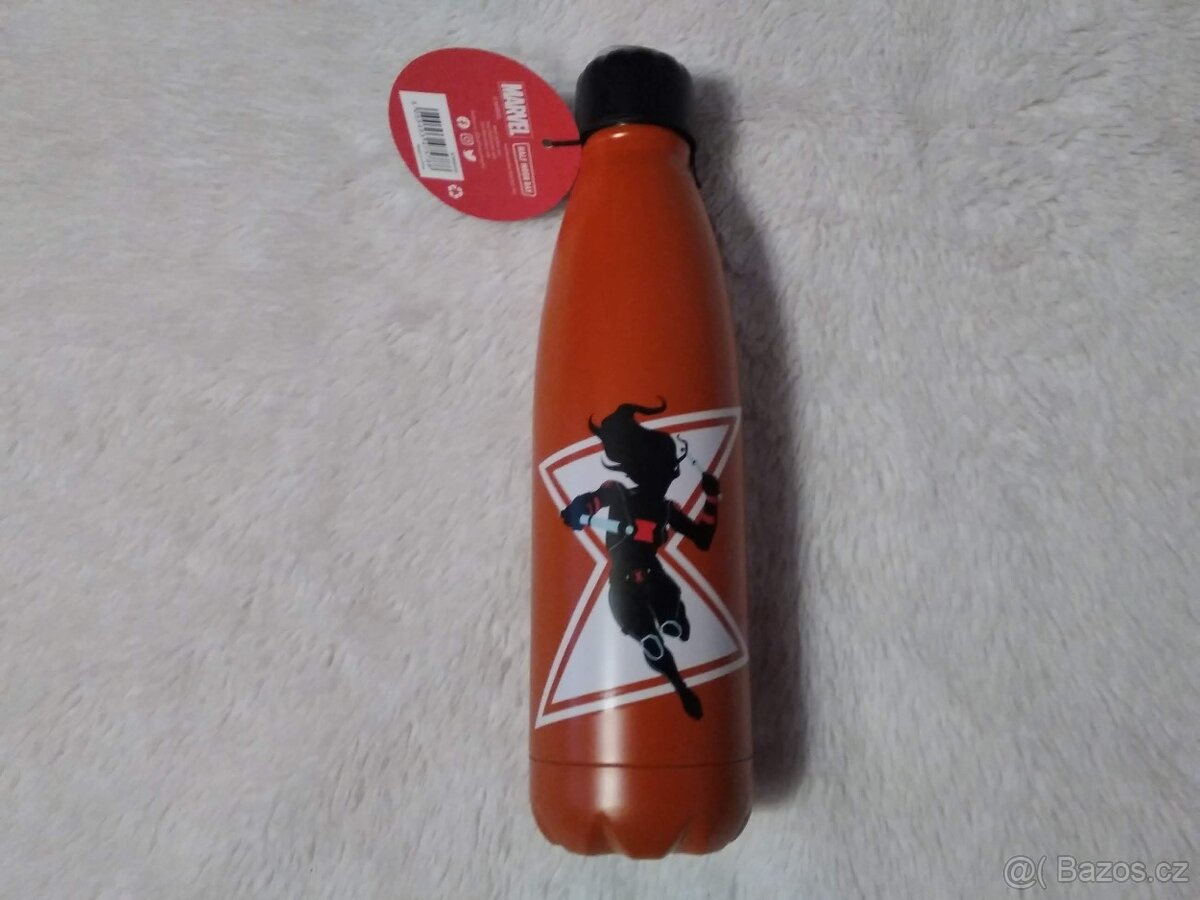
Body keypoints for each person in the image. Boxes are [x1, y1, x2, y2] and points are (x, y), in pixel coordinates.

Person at [561, 399, 720, 719]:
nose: (674, 473)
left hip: (645, 579)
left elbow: (703, 539)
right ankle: (676, 676)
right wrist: (578, 510)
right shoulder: (619, 493)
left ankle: (670, 627)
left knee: (673, 612)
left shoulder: (664, 508)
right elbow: (590, 503)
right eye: (670, 468)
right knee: (655, 627)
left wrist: (712, 498)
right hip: (629, 584)